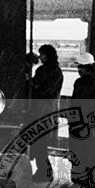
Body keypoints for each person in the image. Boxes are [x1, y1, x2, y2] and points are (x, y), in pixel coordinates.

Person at [29, 45, 64, 179]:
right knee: (39, 141)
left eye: (42, 54)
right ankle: (43, 169)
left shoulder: (54, 72)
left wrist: (35, 89)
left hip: (45, 109)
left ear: (47, 55)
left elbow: (45, 90)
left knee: (41, 141)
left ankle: (45, 169)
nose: (40, 57)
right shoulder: (46, 70)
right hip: (43, 109)